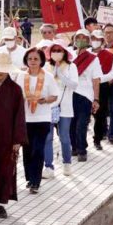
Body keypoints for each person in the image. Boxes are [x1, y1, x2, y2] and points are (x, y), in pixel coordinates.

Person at [0, 52, 27, 219]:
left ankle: (2, 202)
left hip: (7, 137)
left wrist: (17, 140)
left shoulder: (15, 90)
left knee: (5, 168)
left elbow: (20, 115)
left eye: (3, 70)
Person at [16, 49, 59, 194]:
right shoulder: (21, 76)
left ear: (41, 60)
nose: (32, 61)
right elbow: (16, 96)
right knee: (27, 149)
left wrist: (45, 100)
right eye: (30, 59)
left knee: (38, 149)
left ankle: (36, 181)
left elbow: (54, 96)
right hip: (25, 118)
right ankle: (29, 178)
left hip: (42, 118)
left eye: (35, 59)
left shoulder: (48, 76)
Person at [43, 43, 76, 178]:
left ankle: (67, 163)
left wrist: (60, 75)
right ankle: (49, 167)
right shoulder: (46, 66)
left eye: (59, 50)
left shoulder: (71, 66)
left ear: (64, 52)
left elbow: (74, 85)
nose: (56, 52)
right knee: (48, 138)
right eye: (54, 50)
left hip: (65, 106)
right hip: (49, 106)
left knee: (64, 137)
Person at [70, 29, 101, 165]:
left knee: (81, 124)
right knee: (71, 124)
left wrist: (96, 99)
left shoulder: (93, 58)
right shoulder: (70, 56)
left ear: (88, 41)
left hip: (85, 96)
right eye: (78, 37)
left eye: (84, 38)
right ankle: (75, 147)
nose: (80, 40)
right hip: (69, 94)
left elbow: (96, 80)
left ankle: (82, 150)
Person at [90, 29, 113, 150]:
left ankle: (97, 139)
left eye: (98, 39)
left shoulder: (108, 55)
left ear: (102, 41)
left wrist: (98, 79)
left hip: (101, 87)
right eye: (93, 39)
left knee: (100, 115)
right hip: (85, 87)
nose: (95, 42)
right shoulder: (85, 53)